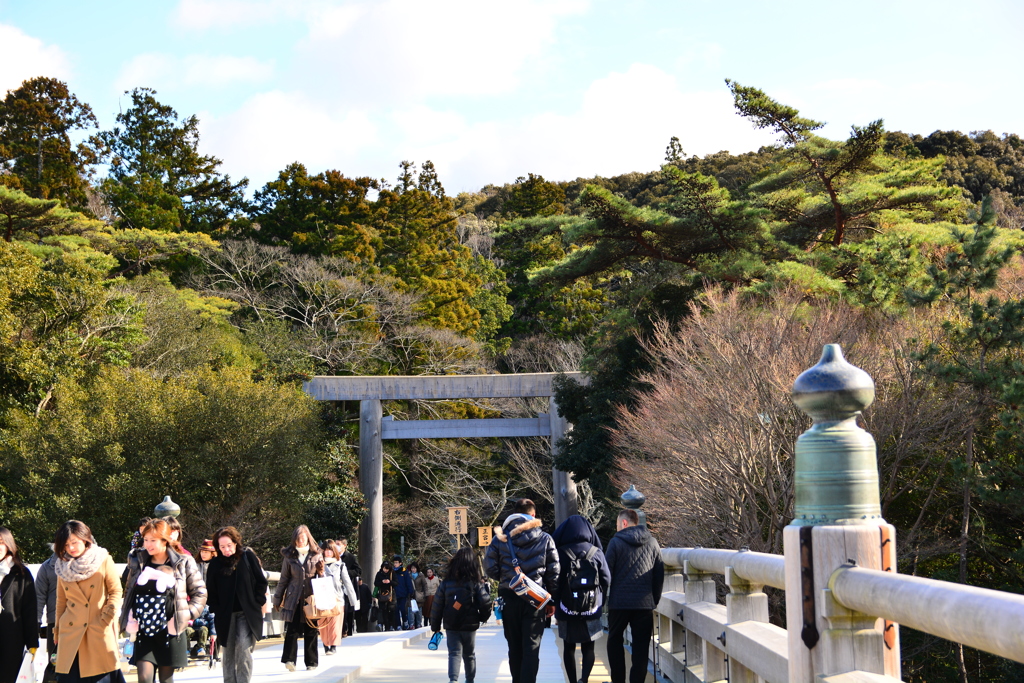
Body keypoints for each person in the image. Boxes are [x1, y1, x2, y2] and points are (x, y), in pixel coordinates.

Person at [119, 518, 207, 683]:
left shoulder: (183, 561)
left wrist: (186, 615)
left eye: (153, 540)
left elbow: (200, 593)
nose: (148, 544)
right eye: (145, 540)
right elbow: (129, 590)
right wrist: (126, 618)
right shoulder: (137, 560)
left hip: (170, 629)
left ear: (165, 540)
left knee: (166, 679)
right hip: (143, 629)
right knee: (144, 678)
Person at [483, 499, 559, 683]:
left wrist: (507, 576)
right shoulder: (545, 538)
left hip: (509, 597)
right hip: (535, 599)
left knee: (514, 647)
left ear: (514, 514)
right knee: (531, 647)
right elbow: (554, 572)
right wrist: (552, 601)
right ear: (533, 515)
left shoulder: (500, 539)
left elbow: (490, 568)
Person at [52, 521, 123, 683]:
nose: (71, 548)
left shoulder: (103, 559)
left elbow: (116, 590)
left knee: (102, 676)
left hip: (97, 628)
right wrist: (57, 631)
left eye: (75, 542)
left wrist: (107, 616)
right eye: (67, 544)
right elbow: (61, 601)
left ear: (85, 540)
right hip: (70, 632)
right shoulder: (61, 566)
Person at [605, 510, 664, 683]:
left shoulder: (615, 542)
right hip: (644, 604)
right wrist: (654, 599)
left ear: (624, 523)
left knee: (614, 641)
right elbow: (659, 574)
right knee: (641, 647)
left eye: (617, 524)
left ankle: (618, 680)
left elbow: (607, 573)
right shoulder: (652, 542)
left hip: (619, 603)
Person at [552, 515, 611, 683]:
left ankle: (572, 681)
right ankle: (584, 679)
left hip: (566, 606)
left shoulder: (560, 553)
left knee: (568, 647)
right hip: (591, 605)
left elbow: (554, 580)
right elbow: (607, 579)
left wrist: (555, 602)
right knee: (589, 645)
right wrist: (600, 600)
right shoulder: (596, 552)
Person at [206, 526, 268, 683]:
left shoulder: (247, 556)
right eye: (222, 547)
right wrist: (215, 608)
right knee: (228, 651)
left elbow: (261, 581)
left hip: (246, 613)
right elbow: (210, 589)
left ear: (235, 542)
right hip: (224, 614)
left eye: (229, 545)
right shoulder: (215, 564)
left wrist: (258, 601)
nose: (226, 549)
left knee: (243, 647)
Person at [429, 547, 492, 683]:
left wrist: (435, 626)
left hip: (451, 624)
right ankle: (470, 680)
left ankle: (453, 680)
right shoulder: (475, 583)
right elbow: (486, 602)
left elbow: (437, 605)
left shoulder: (446, 583)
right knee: (469, 655)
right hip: (469, 626)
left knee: (454, 653)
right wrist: (482, 618)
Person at [272, 525, 323, 672]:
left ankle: (311, 662)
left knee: (311, 630)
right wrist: (277, 599)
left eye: (303, 538)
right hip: (293, 598)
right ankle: (289, 660)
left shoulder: (316, 555)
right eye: (298, 539)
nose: (300, 541)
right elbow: (283, 579)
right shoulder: (289, 557)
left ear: (308, 538)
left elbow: (323, 579)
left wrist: (321, 572)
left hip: (311, 599)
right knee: (292, 630)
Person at [0, 527, 39, 683]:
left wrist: (32, 643)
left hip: (12, 639)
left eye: (2, 542)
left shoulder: (21, 573)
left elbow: (30, 610)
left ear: (9, 545)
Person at [320, 540, 355, 654]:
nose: (328, 552)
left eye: (330, 550)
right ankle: (326, 644)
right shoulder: (318, 564)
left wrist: (353, 600)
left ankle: (333, 645)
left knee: (335, 623)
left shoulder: (340, 565)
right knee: (323, 624)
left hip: (337, 598)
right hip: (322, 598)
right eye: (326, 550)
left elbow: (347, 582)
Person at [35, 546, 59, 683]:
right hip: (55, 624)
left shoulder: (86, 563)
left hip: (83, 623)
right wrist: (36, 622)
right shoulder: (47, 566)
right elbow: (39, 596)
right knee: (54, 662)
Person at [336, 539, 360, 636]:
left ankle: (348, 628)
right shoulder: (333, 556)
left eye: (338, 544)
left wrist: (345, 573)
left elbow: (358, 570)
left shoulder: (351, 557)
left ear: (344, 545)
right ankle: (341, 629)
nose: (336, 546)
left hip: (347, 585)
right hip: (336, 586)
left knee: (347, 608)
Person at [389, 555, 415, 629]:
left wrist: (411, 592)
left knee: (403, 609)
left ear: (400, 563)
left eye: (397, 562)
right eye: (394, 563)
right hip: (395, 594)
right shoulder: (392, 572)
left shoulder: (404, 571)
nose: (395, 564)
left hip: (403, 593)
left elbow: (408, 582)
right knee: (396, 609)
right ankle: (398, 625)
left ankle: (405, 621)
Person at [372, 562, 395, 631]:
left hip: (391, 595)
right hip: (382, 595)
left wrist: (389, 582)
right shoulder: (379, 574)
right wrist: (382, 582)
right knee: (382, 611)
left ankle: (390, 625)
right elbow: (376, 583)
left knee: (391, 611)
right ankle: (384, 626)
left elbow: (396, 583)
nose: (385, 570)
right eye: (384, 568)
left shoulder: (392, 573)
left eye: (387, 569)